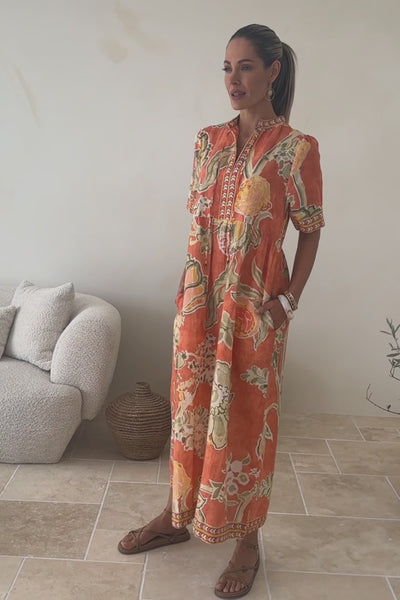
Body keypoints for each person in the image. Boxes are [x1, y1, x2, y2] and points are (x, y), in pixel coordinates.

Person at [119, 23, 324, 599]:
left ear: (273, 71)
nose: (233, 80)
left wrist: (287, 302)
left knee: (246, 420)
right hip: (198, 304)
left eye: (246, 67)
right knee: (189, 411)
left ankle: (247, 542)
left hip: (254, 310)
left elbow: (310, 231)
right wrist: (186, 290)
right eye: (227, 68)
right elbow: (201, 224)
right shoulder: (206, 141)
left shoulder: (296, 150)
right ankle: (175, 517)